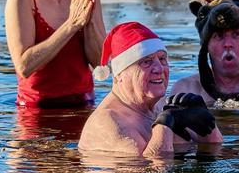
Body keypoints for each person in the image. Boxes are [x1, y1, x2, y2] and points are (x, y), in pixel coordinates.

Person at [79, 22, 222, 155]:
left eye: (162, 59)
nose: (159, 69)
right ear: (119, 75)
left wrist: (207, 124)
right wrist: (164, 125)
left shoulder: (159, 104)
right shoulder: (108, 123)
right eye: (146, 62)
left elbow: (216, 150)